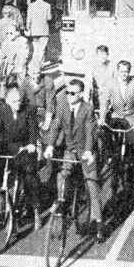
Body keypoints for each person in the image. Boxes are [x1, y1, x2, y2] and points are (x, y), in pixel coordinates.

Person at [43, 79, 105, 243]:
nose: (69, 96)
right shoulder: (62, 107)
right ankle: (61, 207)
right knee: (62, 175)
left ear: (81, 94)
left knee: (92, 183)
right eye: (67, 92)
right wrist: (50, 146)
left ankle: (98, 223)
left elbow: (90, 132)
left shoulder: (88, 109)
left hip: (86, 150)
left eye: (73, 93)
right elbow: (55, 126)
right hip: (70, 150)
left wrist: (88, 151)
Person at [0, 84, 42, 231]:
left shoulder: (28, 110)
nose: (17, 104)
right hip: (7, 148)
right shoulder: (2, 110)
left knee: (30, 177)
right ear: (7, 101)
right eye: (14, 101)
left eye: (19, 101)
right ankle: (1, 207)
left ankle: (36, 210)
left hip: (24, 147)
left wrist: (32, 144)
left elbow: (33, 130)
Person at [98, 60, 134, 158]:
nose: (124, 74)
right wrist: (102, 118)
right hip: (116, 115)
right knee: (104, 133)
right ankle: (110, 155)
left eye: (126, 72)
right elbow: (105, 101)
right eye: (122, 71)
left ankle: (133, 162)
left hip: (130, 116)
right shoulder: (111, 82)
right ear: (118, 71)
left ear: (129, 72)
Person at [25, 0, 52, 65]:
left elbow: (28, 19)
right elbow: (49, 18)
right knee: (42, 49)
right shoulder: (47, 5)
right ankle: (40, 64)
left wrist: (28, 28)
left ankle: (35, 64)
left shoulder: (31, 6)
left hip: (34, 30)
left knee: (36, 48)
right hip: (44, 30)